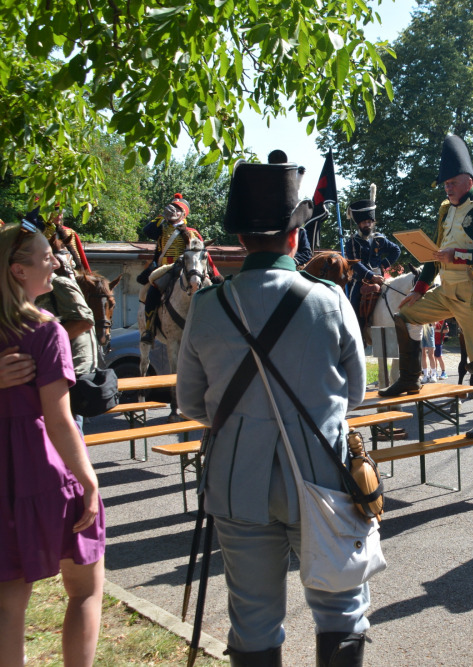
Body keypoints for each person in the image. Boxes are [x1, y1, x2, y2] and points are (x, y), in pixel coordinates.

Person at [176, 157, 369, 666]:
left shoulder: (208, 304)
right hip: (322, 477)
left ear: (241, 239)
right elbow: (355, 394)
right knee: (342, 609)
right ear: (294, 237)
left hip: (236, 480)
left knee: (253, 619)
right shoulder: (330, 299)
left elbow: (190, 401)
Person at [0, 221, 105, 667]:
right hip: (45, 474)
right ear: (18, 270)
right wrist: (89, 480)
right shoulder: (45, 331)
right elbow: (60, 422)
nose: (57, 264)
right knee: (85, 591)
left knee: (7, 605)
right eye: (47, 258)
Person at [378, 135, 473, 439]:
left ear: (468, 180)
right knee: (405, 315)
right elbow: (435, 255)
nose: (447, 187)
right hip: (447, 290)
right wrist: (419, 288)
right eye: (445, 184)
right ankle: (410, 378)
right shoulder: (445, 210)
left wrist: (460, 255)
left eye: (452, 182)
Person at [136, 193, 221, 343]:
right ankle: (149, 330)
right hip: (165, 268)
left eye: (177, 209)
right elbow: (147, 231)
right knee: (152, 293)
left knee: (208, 292)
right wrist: (162, 217)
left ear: (183, 214)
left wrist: (215, 275)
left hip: (184, 269)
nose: (173, 211)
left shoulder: (192, 232)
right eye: (171, 208)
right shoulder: (161, 229)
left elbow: (202, 255)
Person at [35, 249, 99, 433]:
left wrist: (42, 347)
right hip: (46, 371)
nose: (54, 263)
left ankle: (147, 331)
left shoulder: (59, 283)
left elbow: (84, 321)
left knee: (68, 428)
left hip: (69, 370)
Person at [344, 183, 401, 328]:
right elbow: (354, 263)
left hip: (381, 279)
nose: (367, 225)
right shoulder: (352, 242)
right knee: (352, 307)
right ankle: (356, 331)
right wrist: (371, 275)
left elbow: (396, 250)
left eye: (369, 222)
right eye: (364, 222)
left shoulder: (379, 238)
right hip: (360, 280)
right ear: (359, 224)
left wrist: (383, 265)